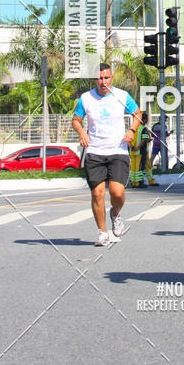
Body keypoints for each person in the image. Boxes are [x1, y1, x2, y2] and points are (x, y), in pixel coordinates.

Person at [72, 63, 141, 246]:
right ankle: (102, 233)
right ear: (95, 79)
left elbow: (137, 113)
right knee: (97, 194)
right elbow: (76, 120)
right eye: (100, 78)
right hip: (95, 152)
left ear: (112, 78)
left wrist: (132, 130)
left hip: (118, 151)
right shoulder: (86, 98)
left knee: (117, 193)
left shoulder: (122, 96)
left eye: (106, 78)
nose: (103, 82)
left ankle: (115, 214)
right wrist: (82, 132)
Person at [129, 111, 158, 187]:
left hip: (133, 151)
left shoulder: (133, 128)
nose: (147, 121)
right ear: (144, 120)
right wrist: (138, 147)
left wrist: (132, 147)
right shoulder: (143, 128)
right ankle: (138, 183)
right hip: (141, 151)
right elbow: (144, 139)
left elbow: (128, 139)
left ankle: (135, 182)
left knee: (134, 168)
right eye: (146, 119)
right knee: (139, 168)